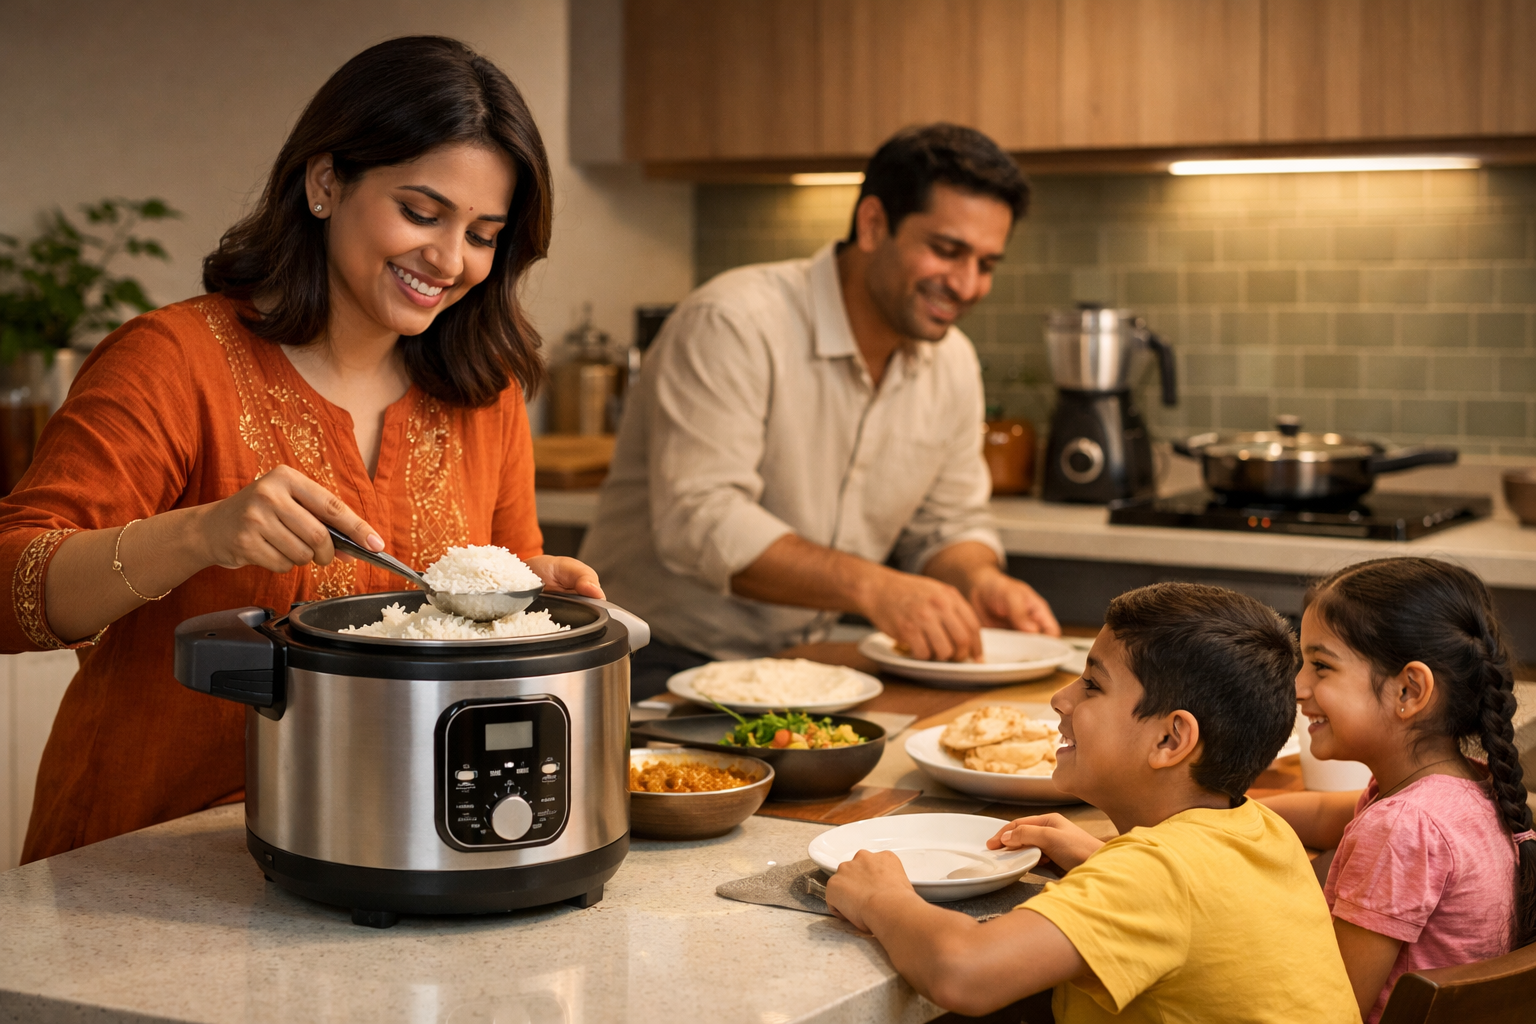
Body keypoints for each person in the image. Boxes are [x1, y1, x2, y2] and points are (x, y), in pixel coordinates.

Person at [1, 36, 602, 864]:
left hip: (394, 854)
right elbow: (10, 584)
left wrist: (540, 596)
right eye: (421, 213)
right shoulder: (174, 361)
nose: (450, 259)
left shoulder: (481, 391)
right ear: (325, 183)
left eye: (483, 234)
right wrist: (200, 533)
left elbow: (499, 587)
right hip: (148, 860)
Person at [580, 124, 1059, 698]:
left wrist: (979, 579)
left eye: (986, 264)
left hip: (800, 669)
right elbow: (700, 520)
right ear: (873, 224)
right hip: (650, 661)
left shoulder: (951, 362)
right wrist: (875, 588)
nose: (967, 284)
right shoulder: (735, 322)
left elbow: (948, 523)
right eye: (946, 250)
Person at [825, 583, 1359, 1023]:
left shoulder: (1157, 874)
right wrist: (1101, 857)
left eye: (1091, 685)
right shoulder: (1260, 829)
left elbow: (963, 973)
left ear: (1171, 741)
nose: (1061, 700)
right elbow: (1190, 905)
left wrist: (882, 898)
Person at [1260, 557, 1532, 1022]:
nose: (1298, 686)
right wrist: (1233, 812)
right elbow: (1330, 814)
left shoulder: (1403, 828)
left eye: (1321, 666)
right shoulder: (1462, 790)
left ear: (1409, 691)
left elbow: (1330, 1009)